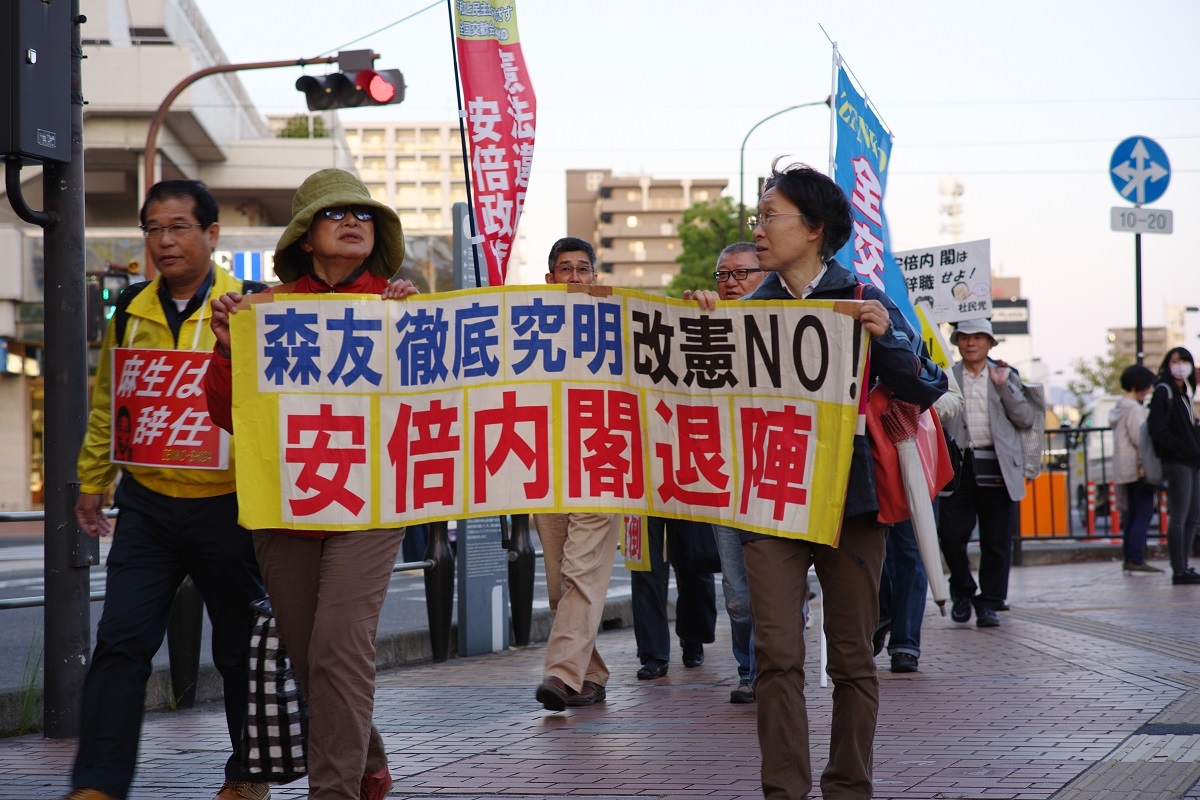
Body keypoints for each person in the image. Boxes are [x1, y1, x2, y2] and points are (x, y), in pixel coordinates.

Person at [688, 162, 946, 800]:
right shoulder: (748, 310)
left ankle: (848, 784)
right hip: (769, 499)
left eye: (770, 216)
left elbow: (926, 386)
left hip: (851, 502)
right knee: (776, 654)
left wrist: (886, 340)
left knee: (853, 656)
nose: (759, 230)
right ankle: (784, 788)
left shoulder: (863, 296)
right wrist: (701, 331)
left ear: (814, 229)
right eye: (759, 217)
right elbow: (703, 397)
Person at [205, 168, 419, 800]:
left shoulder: (401, 302)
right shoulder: (264, 309)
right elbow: (226, 414)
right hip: (285, 499)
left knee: (338, 645)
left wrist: (416, 330)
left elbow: (439, 404)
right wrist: (227, 348)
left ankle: (335, 792)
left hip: (374, 501)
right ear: (304, 237)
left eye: (363, 214)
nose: (353, 221)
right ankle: (368, 755)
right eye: (335, 214)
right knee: (307, 654)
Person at [67, 180, 268, 800]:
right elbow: (110, 402)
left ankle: (249, 774)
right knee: (121, 643)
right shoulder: (130, 309)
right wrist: (94, 480)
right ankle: (97, 784)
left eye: (179, 226)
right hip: (148, 504)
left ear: (212, 234)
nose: (165, 241)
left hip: (229, 503)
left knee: (239, 651)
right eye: (154, 228)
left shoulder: (254, 304)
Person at [532, 237, 620, 711]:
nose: (573, 278)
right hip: (547, 469)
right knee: (558, 581)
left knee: (581, 574)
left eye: (582, 269)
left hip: (603, 465)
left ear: (594, 277)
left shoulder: (618, 322)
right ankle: (593, 674)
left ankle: (562, 675)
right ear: (550, 279)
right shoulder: (527, 329)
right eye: (564, 269)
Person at [938, 318, 1035, 628]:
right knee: (951, 536)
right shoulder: (946, 376)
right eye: (965, 337)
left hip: (998, 465)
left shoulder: (1007, 374)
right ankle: (963, 591)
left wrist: (1003, 385)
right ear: (956, 342)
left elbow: (1025, 417)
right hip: (958, 466)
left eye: (979, 337)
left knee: (997, 540)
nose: (971, 343)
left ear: (990, 343)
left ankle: (990, 602)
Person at [875, 370, 963, 673]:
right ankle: (881, 614)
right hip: (867, 459)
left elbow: (954, 398)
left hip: (916, 457)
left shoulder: (921, 332)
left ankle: (905, 643)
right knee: (871, 551)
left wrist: (917, 406)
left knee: (912, 551)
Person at [712, 242, 768, 702]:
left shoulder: (787, 322)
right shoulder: (702, 327)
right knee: (735, 590)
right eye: (722, 275)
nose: (730, 283)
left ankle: (767, 669)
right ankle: (747, 668)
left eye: (741, 274)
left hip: (775, 474)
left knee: (773, 580)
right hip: (723, 475)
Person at [631, 517, 717, 680]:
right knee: (644, 565)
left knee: (695, 558)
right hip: (639, 495)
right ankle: (653, 653)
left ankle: (693, 637)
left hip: (689, 491)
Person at [1147, 347, 1200, 584]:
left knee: (1193, 514)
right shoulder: (1164, 391)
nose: (1180, 365)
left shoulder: (1185, 393)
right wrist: (1179, 447)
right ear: (1167, 364)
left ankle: (1184, 566)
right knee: (1179, 515)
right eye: (1175, 361)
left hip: (1192, 460)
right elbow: (1156, 428)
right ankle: (1178, 569)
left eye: (1184, 361)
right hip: (1176, 461)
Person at [1111, 365, 1163, 574]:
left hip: (1125, 468)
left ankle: (1131, 557)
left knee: (1132, 515)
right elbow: (1140, 438)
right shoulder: (1133, 409)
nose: (1149, 389)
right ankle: (1136, 558)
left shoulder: (1119, 407)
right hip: (1138, 468)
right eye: (1147, 385)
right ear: (1138, 385)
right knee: (1143, 514)